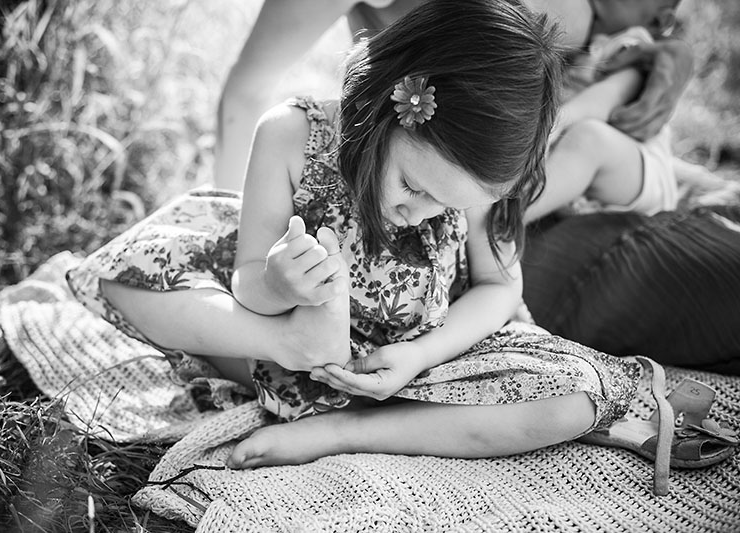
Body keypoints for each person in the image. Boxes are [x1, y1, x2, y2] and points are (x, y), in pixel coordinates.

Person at [68, 0, 645, 471]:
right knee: (130, 273)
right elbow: (246, 276)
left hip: (418, 368)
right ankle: (297, 344)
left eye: (449, 205)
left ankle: (343, 431)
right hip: (285, 354)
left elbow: (499, 287)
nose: (421, 213)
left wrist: (419, 355)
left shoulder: (484, 174)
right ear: (390, 104)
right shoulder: (291, 136)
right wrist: (276, 287)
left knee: (574, 399)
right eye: (413, 186)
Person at [213, 0, 695, 192]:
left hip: (512, 167)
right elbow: (246, 93)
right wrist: (234, 223)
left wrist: (643, 69)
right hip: (470, 167)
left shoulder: (576, 17)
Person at [525, 0, 683, 222]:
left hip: (641, 174)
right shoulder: (585, 36)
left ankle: (504, 218)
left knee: (589, 138)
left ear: (659, 21)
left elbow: (611, 96)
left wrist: (555, 125)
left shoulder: (633, 43)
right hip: (585, 171)